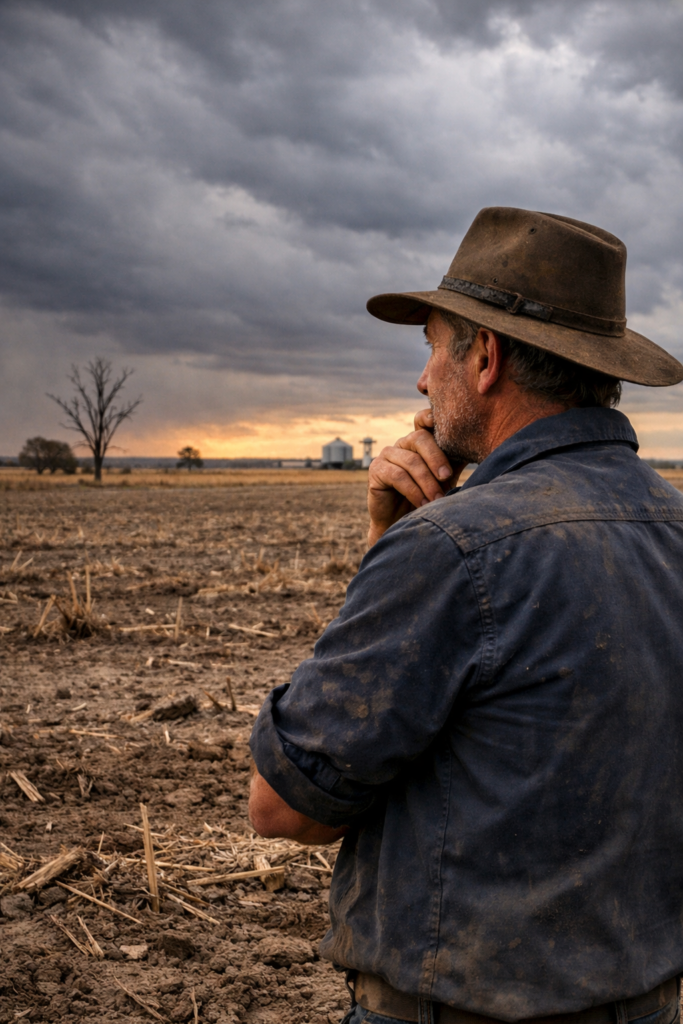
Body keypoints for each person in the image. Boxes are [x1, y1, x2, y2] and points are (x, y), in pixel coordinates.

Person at [248, 207, 683, 1024]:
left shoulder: (453, 550)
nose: (420, 383)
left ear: (483, 358)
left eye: (430, 349)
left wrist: (395, 543)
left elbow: (284, 805)